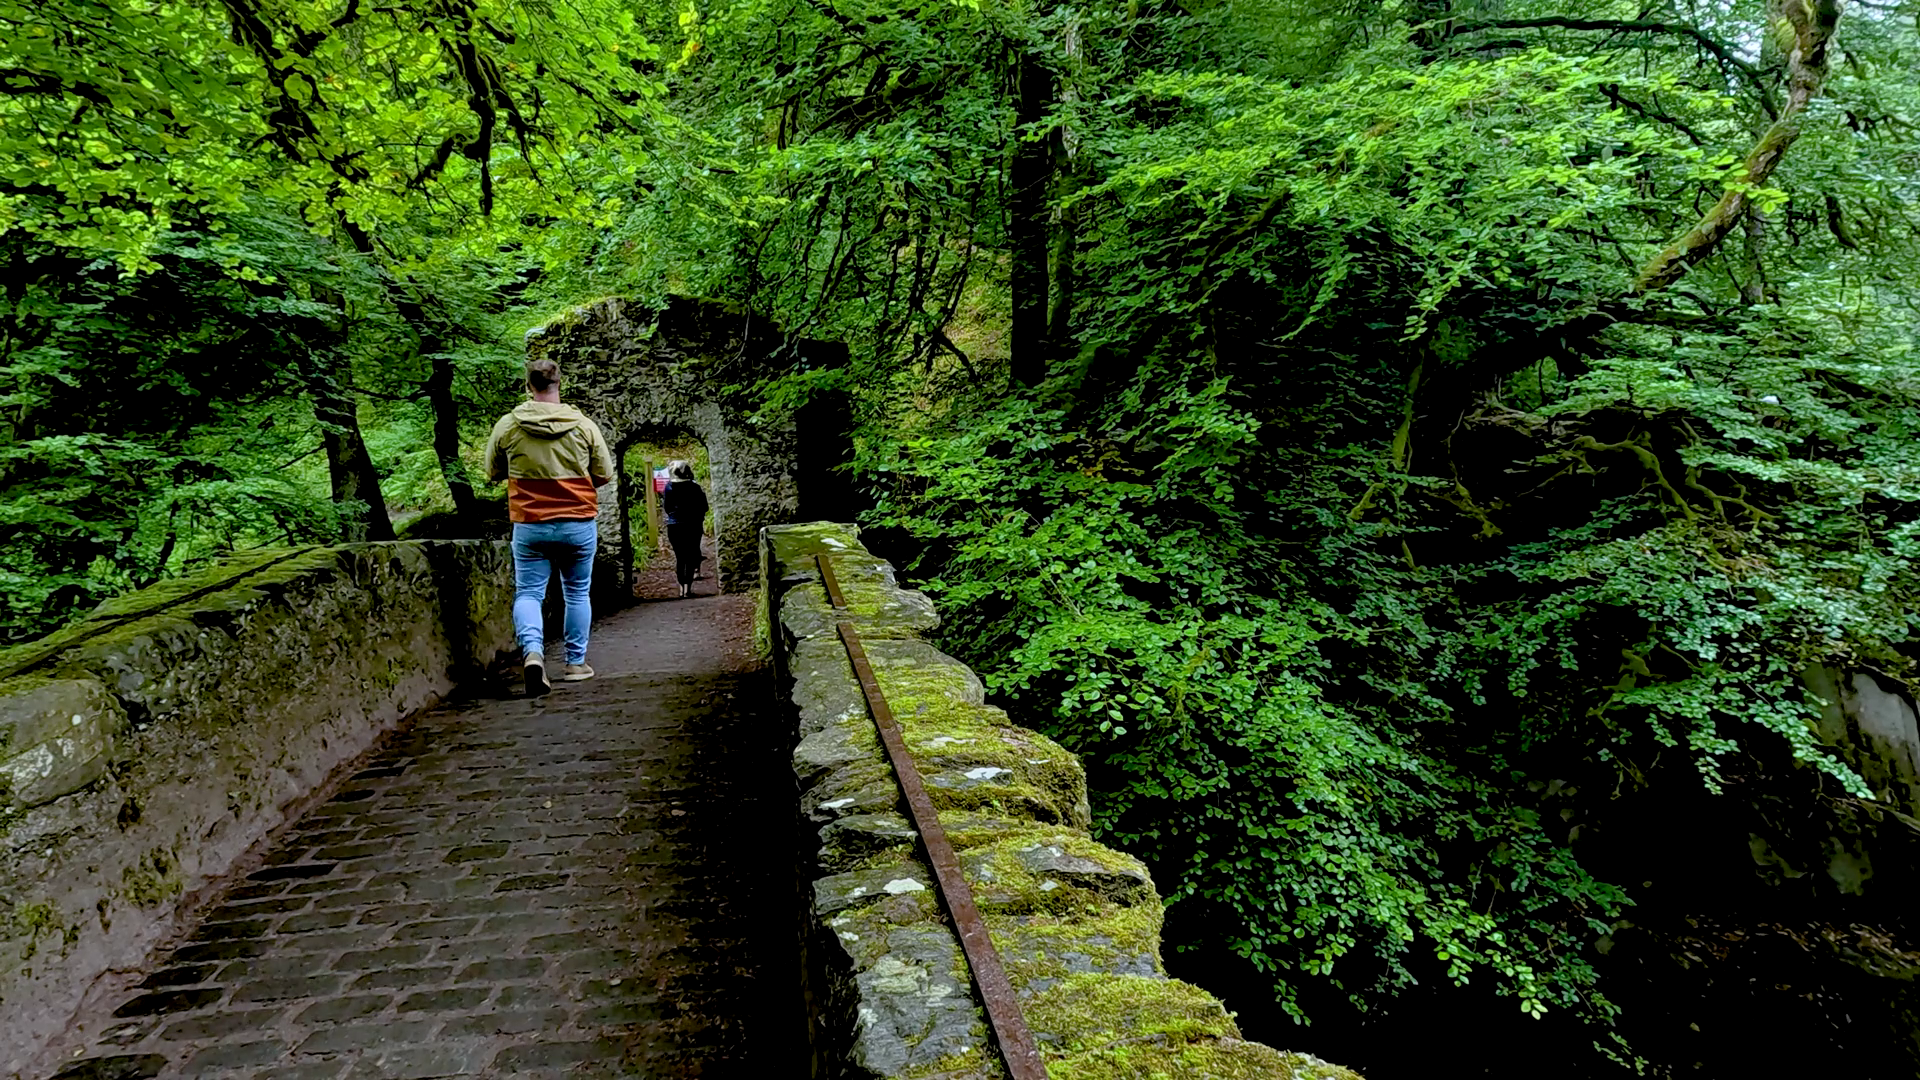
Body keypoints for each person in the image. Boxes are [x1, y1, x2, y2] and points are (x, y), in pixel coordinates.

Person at [484, 358, 615, 696]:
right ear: (559, 383)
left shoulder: (508, 425)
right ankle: (575, 664)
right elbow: (604, 473)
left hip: (530, 523)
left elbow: (492, 471)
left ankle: (532, 654)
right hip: (577, 522)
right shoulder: (584, 426)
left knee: (529, 592)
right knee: (577, 592)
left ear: (529, 385)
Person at [661, 459, 709, 599]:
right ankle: (688, 587)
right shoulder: (695, 487)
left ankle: (682, 587)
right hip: (693, 525)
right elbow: (704, 507)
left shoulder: (668, 487)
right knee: (691, 555)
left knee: (680, 557)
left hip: (674, 526)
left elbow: (667, 507)